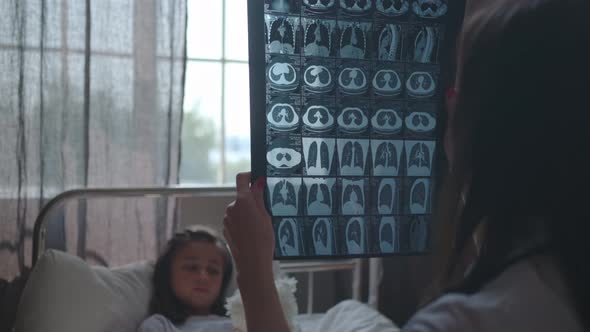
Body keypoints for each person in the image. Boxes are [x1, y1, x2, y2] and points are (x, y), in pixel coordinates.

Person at [223, 0, 590, 331]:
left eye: (457, 87)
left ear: (486, 128)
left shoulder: (464, 322)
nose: (446, 104)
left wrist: (254, 274)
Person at [137, 226, 234, 332]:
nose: (203, 277)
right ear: (167, 273)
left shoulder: (238, 322)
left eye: (213, 271)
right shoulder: (159, 325)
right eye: (192, 268)